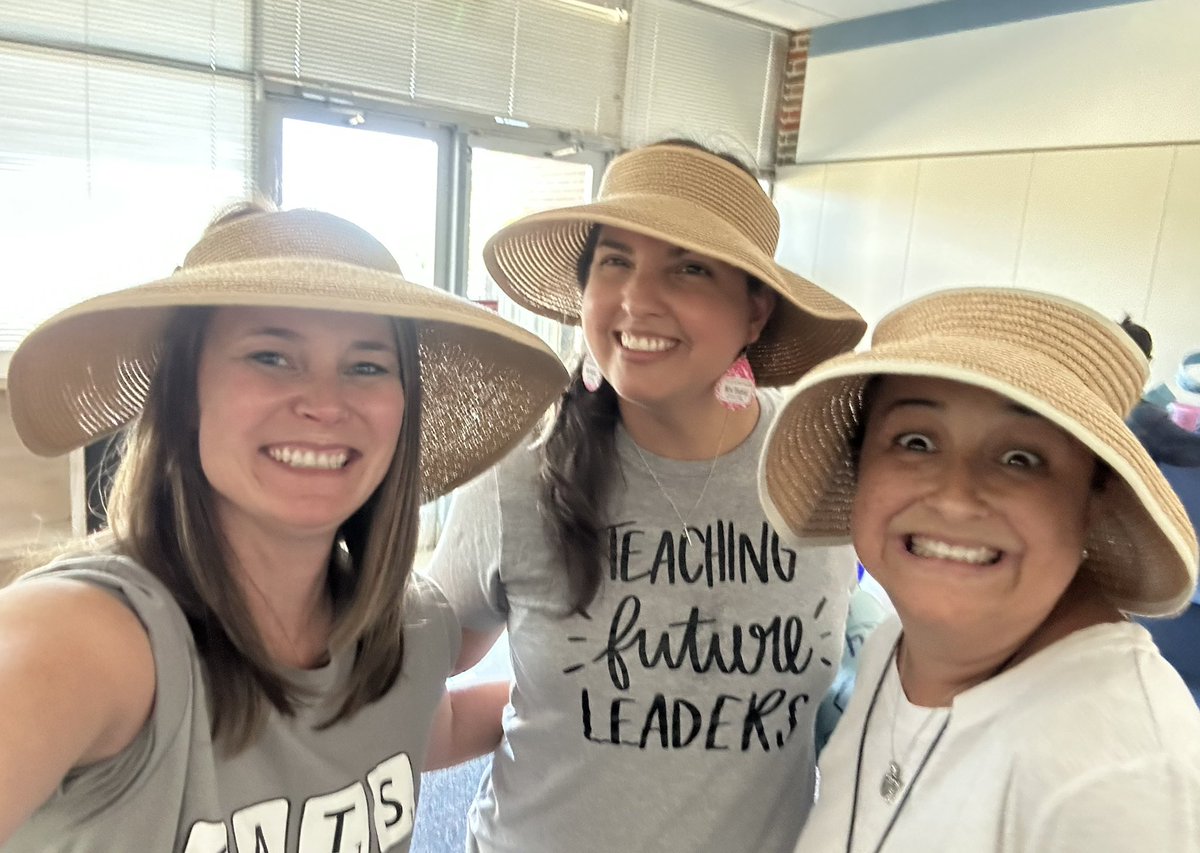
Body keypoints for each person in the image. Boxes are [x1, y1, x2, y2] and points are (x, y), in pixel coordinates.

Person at [0, 204, 568, 851]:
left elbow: (419, 730)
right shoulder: (93, 636)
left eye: (366, 365)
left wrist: (581, 689)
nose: (325, 403)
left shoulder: (405, 629)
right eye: (270, 355)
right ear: (186, 395)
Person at [428, 140, 868, 853]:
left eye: (689, 268)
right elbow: (414, 672)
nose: (638, 298)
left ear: (755, 313)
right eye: (615, 261)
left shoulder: (822, 459)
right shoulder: (524, 474)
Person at [760, 287, 1200, 853]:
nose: (956, 497)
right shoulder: (892, 651)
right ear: (859, 463)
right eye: (916, 442)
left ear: (1094, 502)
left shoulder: (1121, 777)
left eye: (1021, 458)